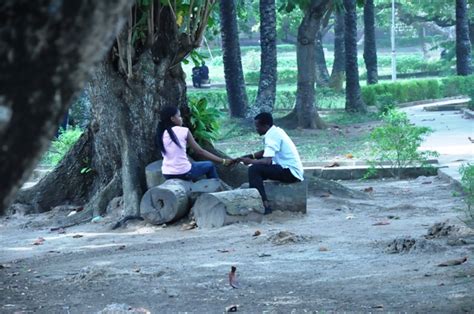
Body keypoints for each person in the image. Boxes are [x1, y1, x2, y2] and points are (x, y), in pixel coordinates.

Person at [239, 112, 304, 215]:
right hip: (290, 170)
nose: (256, 129)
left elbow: (267, 161)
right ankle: (260, 198)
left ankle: (264, 205)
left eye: (258, 126)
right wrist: (251, 156)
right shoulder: (276, 132)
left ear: (265, 126)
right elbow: (266, 152)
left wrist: (250, 161)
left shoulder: (271, 136)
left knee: (254, 169)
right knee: (257, 171)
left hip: (290, 172)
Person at [155, 106, 233, 181]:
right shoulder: (184, 131)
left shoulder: (161, 134)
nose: (181, 118)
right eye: (179, 116)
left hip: (167, 173)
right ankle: (216, 189)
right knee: (209, 165)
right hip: (184, 172)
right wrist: (222, 161)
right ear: (172, 119)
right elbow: (200, 151)